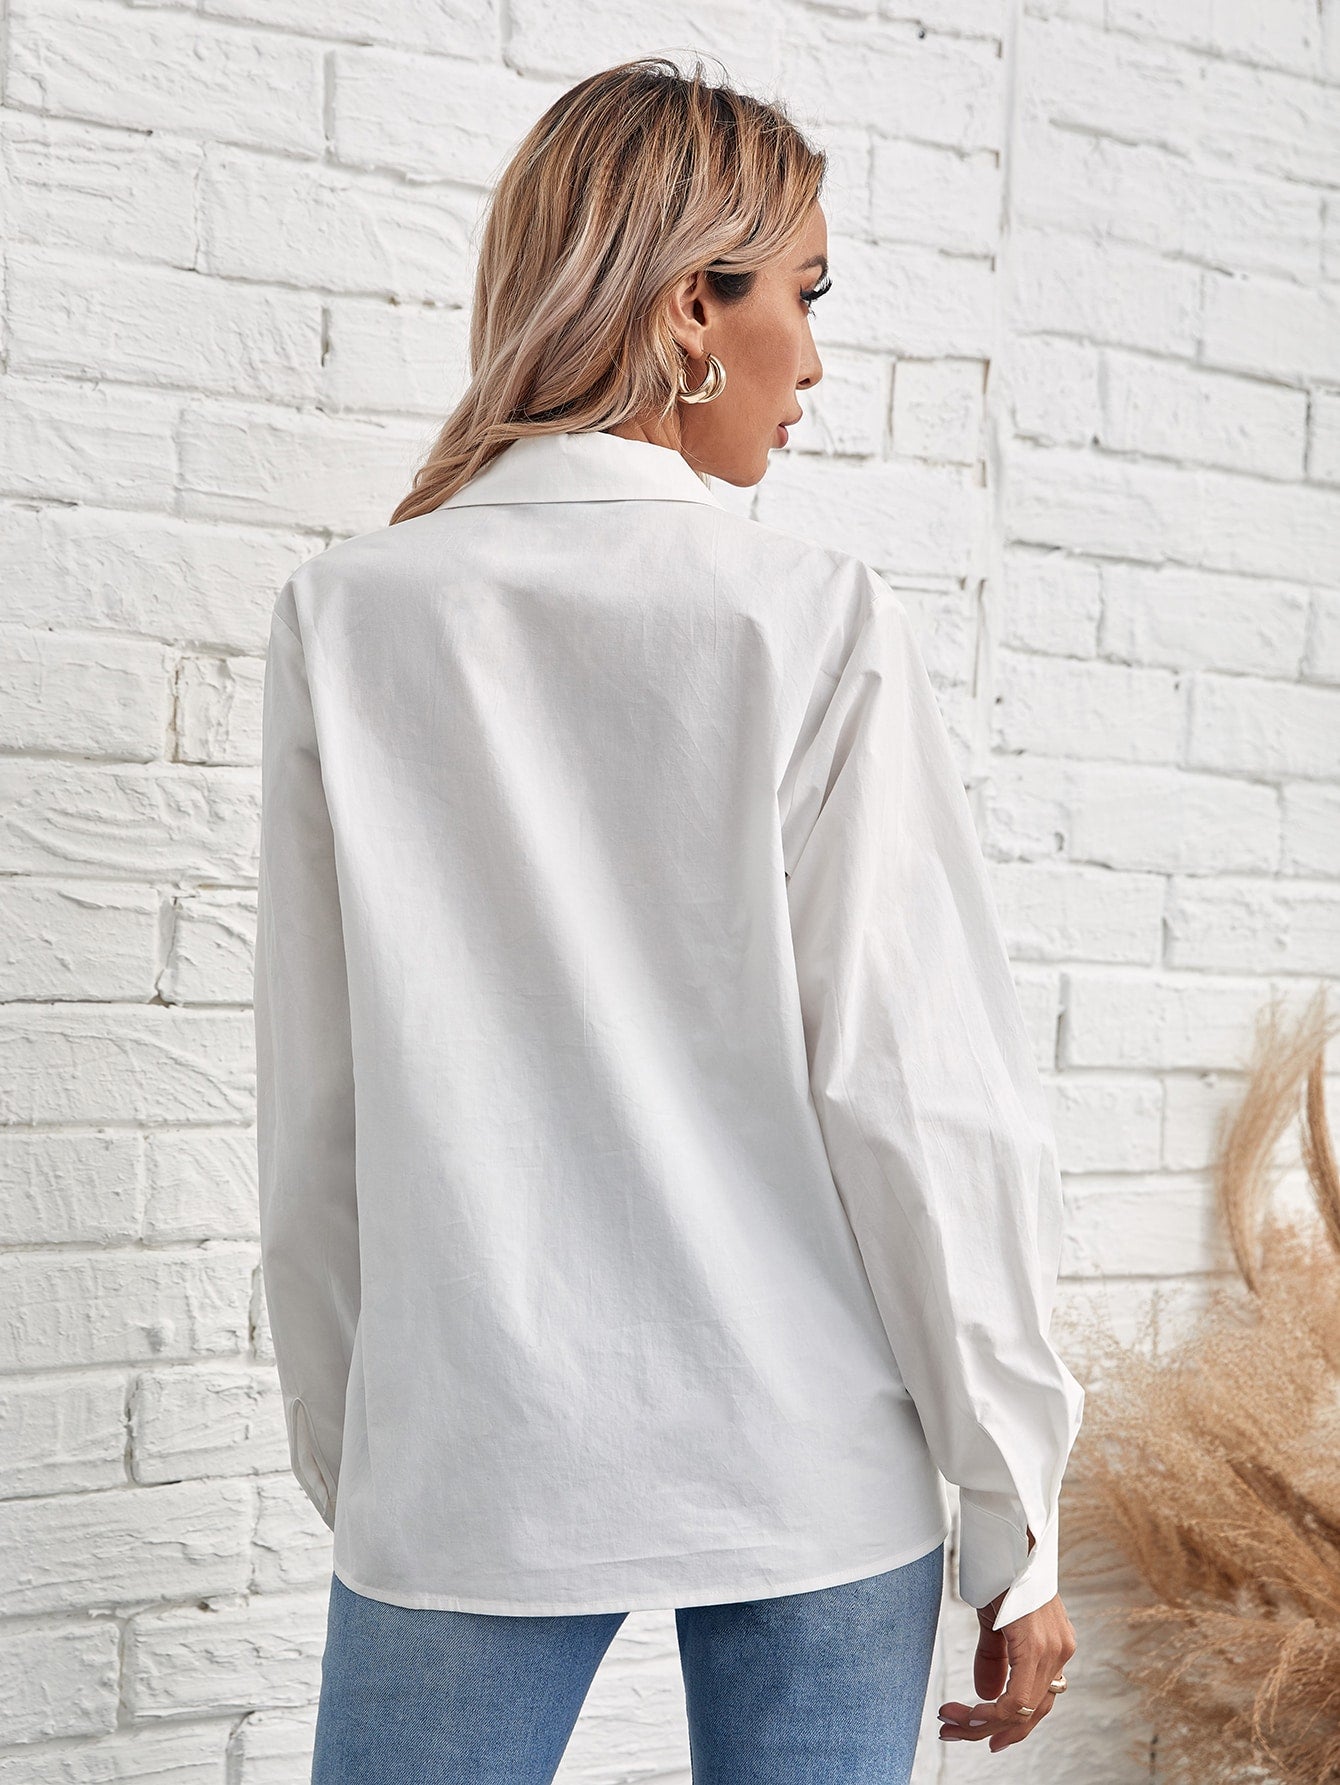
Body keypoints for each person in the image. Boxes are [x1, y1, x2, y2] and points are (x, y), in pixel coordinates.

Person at [253, 54, 1084, 1785]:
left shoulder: (350, 616)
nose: (818, 361)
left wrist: (366, 1455)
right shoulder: (811, 617)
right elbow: (913, 1096)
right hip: (813, 1450)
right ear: (692, 305)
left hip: (471, 1450)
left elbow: (316, 1110)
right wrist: (1014, 1507)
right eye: (805, 294)